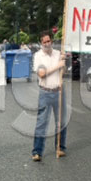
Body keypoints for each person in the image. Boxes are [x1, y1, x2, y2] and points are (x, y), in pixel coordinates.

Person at [31, 31, 67, 162]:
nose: (47, 43)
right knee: (42, 123)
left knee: (61, 122)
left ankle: (60, 147)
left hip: (59, 91)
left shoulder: (58, 54)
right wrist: (58, 65)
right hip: (45, 92)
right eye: (44, 42)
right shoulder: (38, 56)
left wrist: (63, 62)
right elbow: (41, 74)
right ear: (41, 43)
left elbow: (63, 71)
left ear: (51, 41)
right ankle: (37, 152)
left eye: (48, 41)